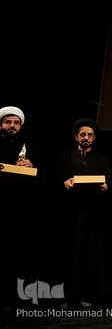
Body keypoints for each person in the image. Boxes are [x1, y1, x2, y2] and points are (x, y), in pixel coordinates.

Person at [52, 118, 112, 309]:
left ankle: (87, 294)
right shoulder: (65, 158)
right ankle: (64, 296)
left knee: (89, 255)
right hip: (70, 214)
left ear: (94, 138)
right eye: (83, 134)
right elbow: (53, 181)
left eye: (90, 135)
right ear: (76, 137)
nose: (86, 137)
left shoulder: (101, 160)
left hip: (92, 215)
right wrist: (63, 183)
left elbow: (109, 184)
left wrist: (106, 187)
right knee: (68, 255)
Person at [0, 106, 45, 311]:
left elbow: (42, 178)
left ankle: (15, 298)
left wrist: (31, 168)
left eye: (16, 123)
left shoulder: (30, 149)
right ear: (1, 124)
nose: (12, 126)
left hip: (21, 210)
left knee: (18, 253)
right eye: (8, 122)